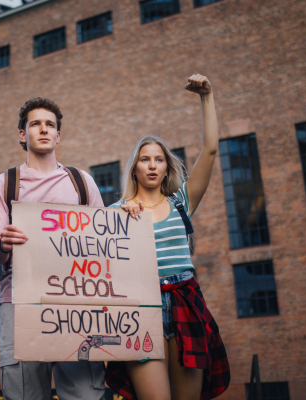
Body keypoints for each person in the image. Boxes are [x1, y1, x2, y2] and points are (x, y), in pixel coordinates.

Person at [105, 75, 230, 400]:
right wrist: (121, 219)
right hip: (138, 307)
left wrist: (207, 96)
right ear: (134, 167)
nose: (152, 165)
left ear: (165, 167)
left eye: (158, 159)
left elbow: (212, 149)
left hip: (184, 301)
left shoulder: (181, 202)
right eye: (144, 159)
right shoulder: (115, 212)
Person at [0, 97, 107, 400]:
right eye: (35, 124)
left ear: (58, 135)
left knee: (86, 394)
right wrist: (3, 243)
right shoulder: (4, 184)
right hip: (19, 302)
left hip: (77, 304)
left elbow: (106, 245)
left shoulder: (82, 182)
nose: (43, 129)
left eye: (50, 125)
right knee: (25, 394)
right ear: (22, 134)